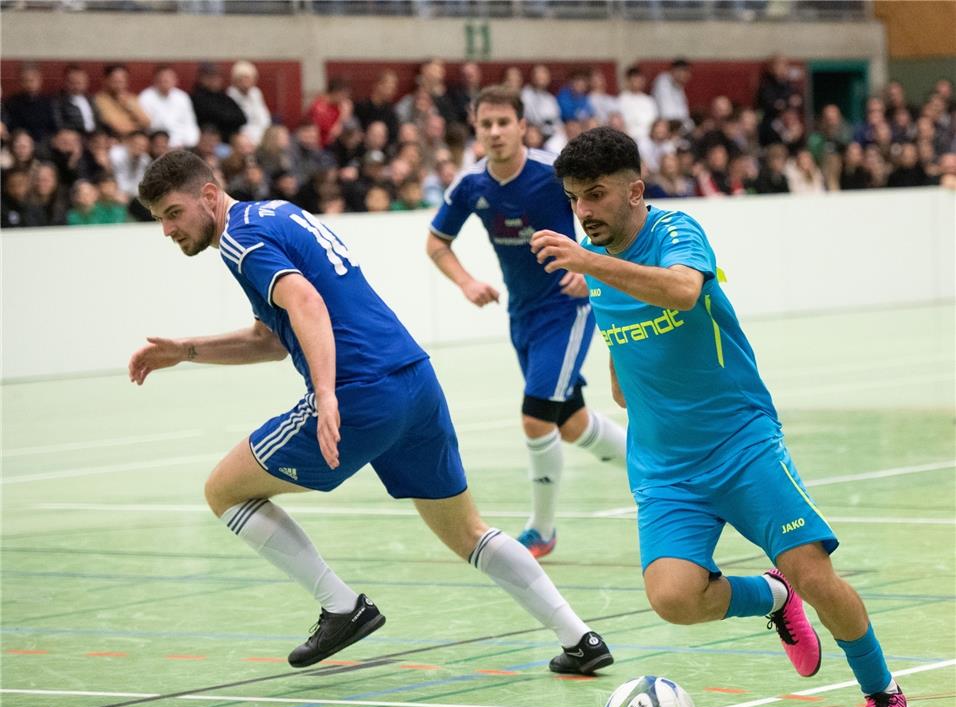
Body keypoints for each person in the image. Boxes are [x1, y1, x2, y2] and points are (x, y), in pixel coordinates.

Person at [127, 149, 613, 675]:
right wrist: (186, 349)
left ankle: (341, 607)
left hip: (360, 390)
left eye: (173, 214)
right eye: (159, 220)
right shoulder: (279, 214)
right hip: (414, 380)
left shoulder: (239, 240)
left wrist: (327, 394)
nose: (167, 230)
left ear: (207, 195)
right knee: (467, 532)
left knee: (223, 491)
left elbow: (307, 305)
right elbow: (271, 338)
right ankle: (580, 638)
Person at [530, 125, 907, 707]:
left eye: (595, 195)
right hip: (664, 465)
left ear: (634, 191)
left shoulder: (675, 233)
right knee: (674, 598)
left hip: (741, 444)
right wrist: (622, 384)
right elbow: (617, 341)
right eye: (574, 198)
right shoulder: (594, 259)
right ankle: (770, 599)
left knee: (815, 574)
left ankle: (881, 692)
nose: (583, 212)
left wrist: (589, 263)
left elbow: (682, 290)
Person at [426, 86, 627, 560]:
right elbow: (436, 242)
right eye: (485, 124)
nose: (494, 132)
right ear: (475, 130)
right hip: (522, 313)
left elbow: (611, 217)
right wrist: (466, 283)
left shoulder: (553, 174)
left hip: (566, 308)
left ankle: (541, 530)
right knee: (573, 423)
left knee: (536, 418)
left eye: (503, 123)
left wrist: (590, 264)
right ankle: (660, 469)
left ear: (522, 126)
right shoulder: (471, 185)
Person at [138, 64, 200, 149]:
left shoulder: (182, 97)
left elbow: (190, 123)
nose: (165, 81)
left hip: (183, 144)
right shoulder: (146, 97)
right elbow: (149, 126)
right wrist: (168, 144)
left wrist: (190, 142)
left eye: (168, 78)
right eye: (162, 79)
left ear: (175, 80)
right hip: (157, 142)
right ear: (155, 81)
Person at [227, 60, 272, 147]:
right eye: (242, 78)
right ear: (235, 80)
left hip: (261, 136)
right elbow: (239, 126)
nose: (246, 82)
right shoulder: (229, 96)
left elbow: (264, 118)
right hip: (242, 139)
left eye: (249, 78)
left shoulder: (256, 93)